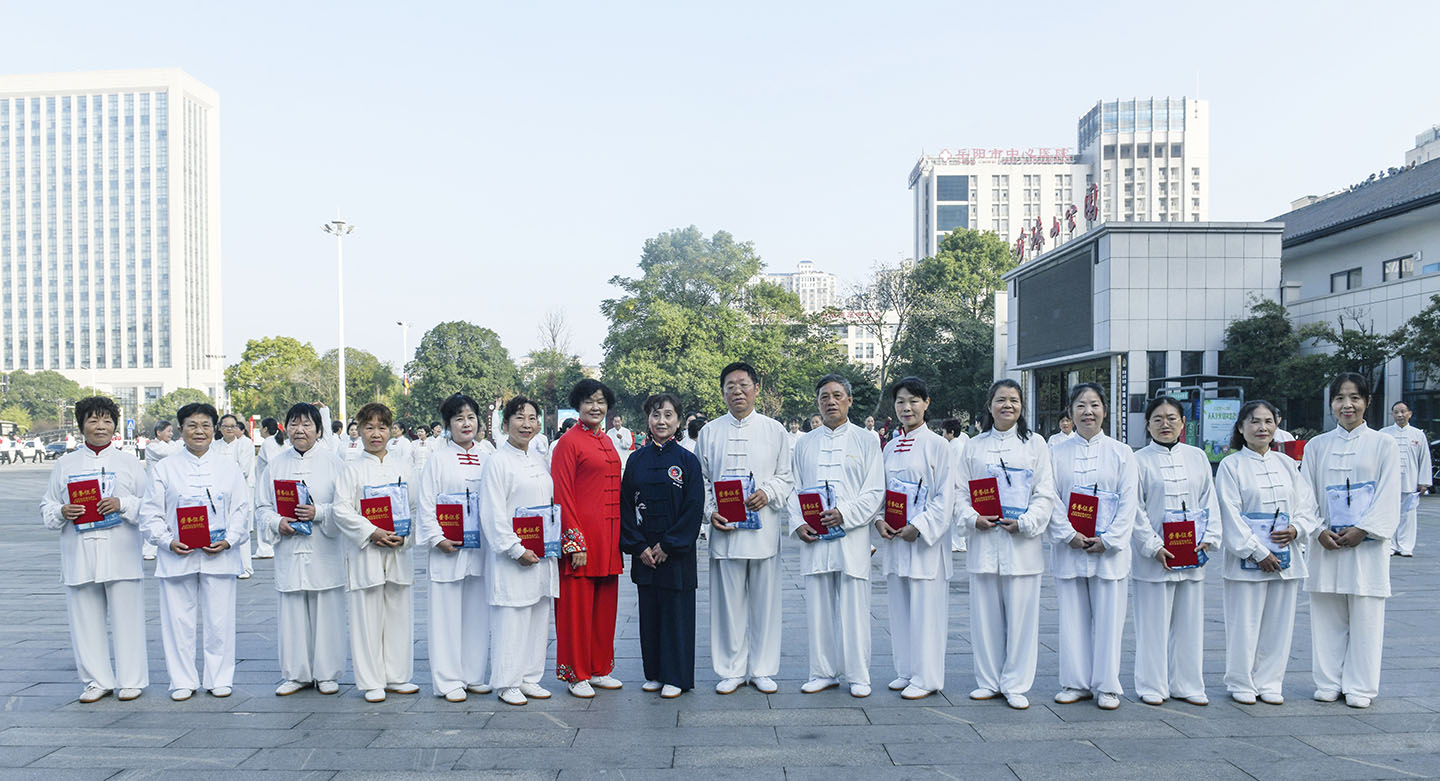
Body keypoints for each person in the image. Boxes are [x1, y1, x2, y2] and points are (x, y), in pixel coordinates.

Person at [1299, 373, 1400, 709]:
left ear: (1367, 402)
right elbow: (1304, 496)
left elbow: (1389, 494)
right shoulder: (1316, 446)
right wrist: (1316, 530)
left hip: (1366, 547)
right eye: (1340, 398)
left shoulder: (1383, 444)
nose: (1347, 405)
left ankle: (1360, 686)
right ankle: (1328, 681)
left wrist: (1364, 529)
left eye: (1355, 397)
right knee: (1326, 616)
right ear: (1331, 403)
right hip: (1326, 544)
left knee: (1366, 616)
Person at [138, 402, 251, 701]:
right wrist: (167, 541)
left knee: (220, 620)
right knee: (178, 621)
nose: (199, 431)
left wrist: (230, 540)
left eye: (205, 425)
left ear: (214, 429)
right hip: (178, 555)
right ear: (180, 429)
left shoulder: (228, 468)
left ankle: (219, 677)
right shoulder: (165, 468)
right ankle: (182, 680)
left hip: (220, 555)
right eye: (192, 425)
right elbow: (150, 513)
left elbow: (241, 509)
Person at [953, 379, 1055, 710]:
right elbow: (959, 491)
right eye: (1001, 399)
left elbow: (1045, 493)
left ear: (1022, 406)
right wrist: (972, 518)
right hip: (985, 542)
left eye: (1013, 400)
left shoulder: (1035, 444)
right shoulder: (974, 446)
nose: (1007, 405)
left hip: (1021, 546)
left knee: (1023, 619)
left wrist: (1025, 522)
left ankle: (1016, 683)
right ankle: (988, 680)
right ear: (990, 405)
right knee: (985, 618)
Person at [41, 396, 150, 703]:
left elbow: (150, 506)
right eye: (93, 420)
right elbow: (47, 506)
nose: (100, 426)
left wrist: (122, 504)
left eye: (107, 420)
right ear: (81, 426)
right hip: (80, 552)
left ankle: (131, 680)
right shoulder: (65, 464)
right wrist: (62, 510)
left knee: (128, 617)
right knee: (85, 620)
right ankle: (96, 680)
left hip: (121, 550)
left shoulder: (129, 463)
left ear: (115, 425)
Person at [697, 361, 794, 694]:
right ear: (722, 392)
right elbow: (701, 481)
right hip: (725, 533)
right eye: (730, 386)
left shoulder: (774, 430)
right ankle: (732, 669)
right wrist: (710, 512)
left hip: (763, 531)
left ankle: (762, 668)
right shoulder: (709, 432)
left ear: (756, 389)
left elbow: (787, 477)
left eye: (743, 385)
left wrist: (768, 492)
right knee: (727, 606)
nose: (737, 391)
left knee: (766, 604)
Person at [1215, 399, 1317, 705]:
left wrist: (1297, 528)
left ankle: (1270, 681)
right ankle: (1241, 681)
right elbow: (1229, 513)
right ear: (1241, 427)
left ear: (1277, 425)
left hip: (1286, 557)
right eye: (1255, 421)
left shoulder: (1287, 465)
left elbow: (1307, 505)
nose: (1262, 427)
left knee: (1279, 624)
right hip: (1247, 561)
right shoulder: (1231, 466)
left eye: (1268, 421)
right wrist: (1256, 551)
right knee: (1244, 624)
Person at [790, 375, 885, 698]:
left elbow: (875, 490)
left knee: (855, 609)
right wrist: (797, 523)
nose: (830, 401)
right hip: (815, 538)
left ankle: (858, 674)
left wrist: (845, 512)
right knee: (818, 609)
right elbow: (793, 487)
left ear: (849, 400)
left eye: (837, 395)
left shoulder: (866, 440)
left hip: (851, 538)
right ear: (817, 402)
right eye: (824, 397)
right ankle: (822, 672)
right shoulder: (805, 443)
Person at [1048, 383, 1136, 711]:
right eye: (1081, 405)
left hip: (1108, 552)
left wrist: (1109, 539)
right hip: (1070, 547)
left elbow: (1129, 502)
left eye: (1095, 405)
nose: (1088, 412)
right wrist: (1067, 533)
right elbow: (1049, 496)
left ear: (1105, 410)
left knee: (1110, 620)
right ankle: (1075, 683)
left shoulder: (1121, 452)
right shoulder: (1056, 453)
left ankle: (1107, 685)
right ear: (1071, 412)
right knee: (1072, 619)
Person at [1131, 396, 1220, 706]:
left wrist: (1209, 537)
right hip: (1154, 559)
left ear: (1183, 423)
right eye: (1157, 419)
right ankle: (1151, 684)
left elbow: (1210, 501)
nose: (1165, 424)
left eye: (1172, 418)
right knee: (1152, 625)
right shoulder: (1138, 460)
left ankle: (1187, 683)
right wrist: (1153, 545)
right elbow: (1135, 509)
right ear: (1148, 425)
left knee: (1189, 624)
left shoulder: (1197, 457)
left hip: (1192, 554)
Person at [257, 403, 349, 697]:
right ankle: (296, 674)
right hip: (290, 549)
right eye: (294, 424)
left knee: (327, 611)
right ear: (286, 429)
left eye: (307, 424)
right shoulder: (275, 465)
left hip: (324, 549)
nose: (300, 430)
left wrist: (318, 512)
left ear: (319, 430)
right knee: (292, 612)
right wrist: (277, 522)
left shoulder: (334, 464)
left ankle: (327, 673)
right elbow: (261, 507)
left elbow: (346, 507)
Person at [331, 403, 420, 703]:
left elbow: (416, 509)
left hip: (398, 552)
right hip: (366, 553)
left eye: (382, 427)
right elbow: (341, 510)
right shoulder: (351, 469)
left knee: (398, 614)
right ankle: (371, 681)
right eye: (369, 427)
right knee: (366, 618)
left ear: (391, 431)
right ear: (359, 431)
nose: (376, 433)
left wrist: (404, 536)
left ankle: (396, 676)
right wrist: (371, 531)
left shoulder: (404, 468)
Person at [621, 392, 704, 698]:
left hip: (676, 554)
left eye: (668, 415)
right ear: (648, 419)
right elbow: (626, 506)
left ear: (678, 421)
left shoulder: (687, 461)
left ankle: (676, 676)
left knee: (676, 613)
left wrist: (669, 545)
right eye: (656, 415)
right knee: (650, 613)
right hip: (645, 553)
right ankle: (654, 673)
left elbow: (693, 508)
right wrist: (639, 546)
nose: (661, 421)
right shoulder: (636, 460)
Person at [875, 377, 953, 700]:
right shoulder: (890, 447)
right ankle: (906, 670)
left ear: (926, 403)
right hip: (896, 540)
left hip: (923, 544)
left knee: (926, 611)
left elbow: (945, 497)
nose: (906, 407)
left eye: (913, 401)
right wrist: (879, 519)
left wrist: (919, 526)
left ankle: (927, 677)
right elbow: (880, 491)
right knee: (900, 608)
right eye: (901, 402)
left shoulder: (938, 445)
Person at [480, 396, 560, 706]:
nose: (526, 425)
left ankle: (529, 677)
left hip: (541, 553)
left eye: (531, 418)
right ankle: (507, 682)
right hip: (513, 557)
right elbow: (493, 513)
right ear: (505, 424)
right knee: (512, 618)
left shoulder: (539, 458)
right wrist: (514, 548)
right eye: (519, 418)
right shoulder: (498, 462)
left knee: (537, 615)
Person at [415, 394, 494, 701]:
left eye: (471, 417)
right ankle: (448, 681)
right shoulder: (438, 459)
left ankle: (473, 675)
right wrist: (437, 537)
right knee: (445, 616)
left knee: (477, 614)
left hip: (480, 550)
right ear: (448, 424)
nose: (466, 424)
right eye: (459, 418)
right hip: (448, 549)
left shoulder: (488, 458)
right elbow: (426, 504)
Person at [550, 379, 624, 698]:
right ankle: (576, 673)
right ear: (578, 405)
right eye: (589, 401)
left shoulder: (606, 440)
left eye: (601, 401)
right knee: (576, 609)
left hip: (609, 538)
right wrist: (573, 541)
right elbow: (562, 494)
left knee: (604, 607)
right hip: (581, 539)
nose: (596, 407)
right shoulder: (568, 443)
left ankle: (598, 668)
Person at [1380, 400, 1430, 557]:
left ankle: (1406, 546)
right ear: (1392, 414)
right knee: (1389, 514)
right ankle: (1391, 545)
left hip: (1410, 481)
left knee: (1408, 515)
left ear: (1410, 414)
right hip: (1389, 482)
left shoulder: (1418, 435)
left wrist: (1424, 482)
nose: (1399, 415)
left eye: (1403, 411)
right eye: (1396, 412)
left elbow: (1424, 459)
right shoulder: (1384, 434)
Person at [142, 420, 184, 561]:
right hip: (155, 486)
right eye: (168, 431)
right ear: (158, 432)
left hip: (170, 485)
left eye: (172, 431)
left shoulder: (171, 444)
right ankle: (149, 549)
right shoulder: (153, 446)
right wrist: (180, 443)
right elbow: (171, 453)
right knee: (154, 516)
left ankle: (170, 542)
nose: (171, 434)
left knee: (169, 516)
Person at [942, 418, 971, 554]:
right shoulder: (955, 445)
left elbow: (953, 467)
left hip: (955, 484)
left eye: (944, 432)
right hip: (955, 483)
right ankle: (957, 542)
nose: (943, 435)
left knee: (954, 514)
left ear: (951, 432)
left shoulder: (955, 447)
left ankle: (957, 542)